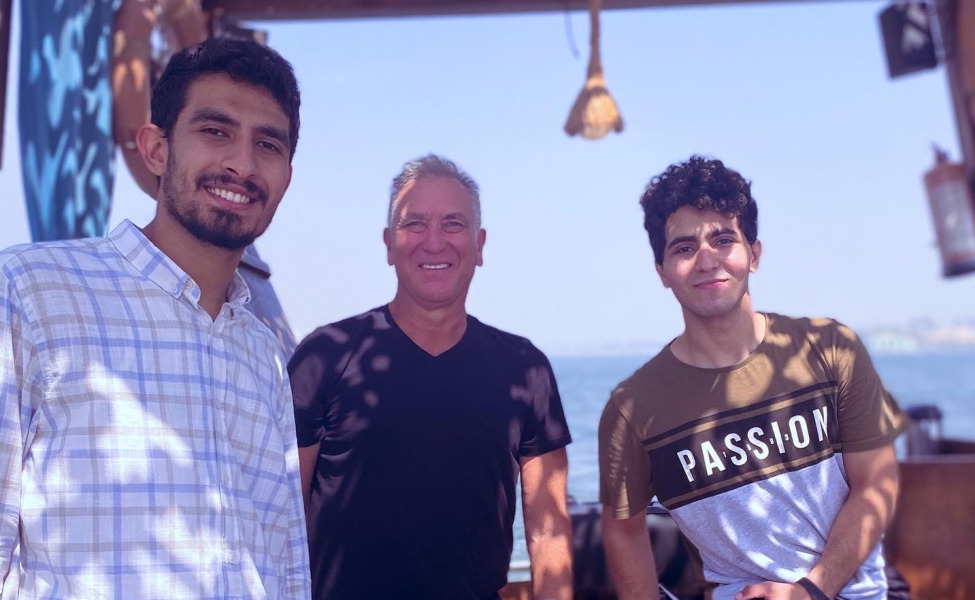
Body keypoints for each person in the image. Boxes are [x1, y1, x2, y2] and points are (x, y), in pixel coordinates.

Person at [0, 38, 310, 599]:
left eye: (267, 144)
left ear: (287, 175)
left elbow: (286, 564)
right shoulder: (30, 291)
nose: (241, 164)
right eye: (215, 131)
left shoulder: (264, 353)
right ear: (156, 150)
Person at [598, 156, 906, 600]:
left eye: (723, 240)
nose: (707, 260)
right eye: (684, 248)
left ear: (754, 255)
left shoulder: (831, 348)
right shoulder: (633, 409)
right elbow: (623, 532)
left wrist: (810, 591)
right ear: (662, 273)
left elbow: (877, 483)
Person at [288, 154, 574, 600]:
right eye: (414, 223)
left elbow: (549, 533)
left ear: (480, 246)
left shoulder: (525, 369)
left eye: (454, 224)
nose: (434, 242)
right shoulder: (325, 357)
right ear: (388, 244)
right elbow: (277, 518)